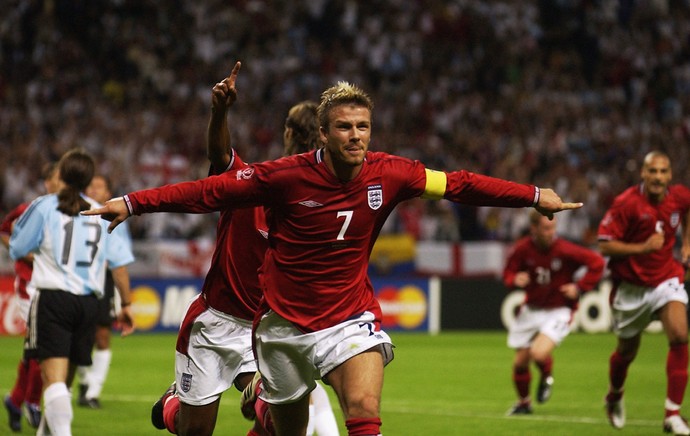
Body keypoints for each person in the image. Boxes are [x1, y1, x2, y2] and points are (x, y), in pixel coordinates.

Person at [84, 80, 582, 436]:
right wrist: (132, 203)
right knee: (244, 428)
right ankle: (177, 406)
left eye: (363, 126)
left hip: (348, 319)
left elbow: (459, 184)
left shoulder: (393, 174)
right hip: (277, 328)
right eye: (344, 127)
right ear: (323, 134)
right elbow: (206, 191)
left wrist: (533, 194)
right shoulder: (281, 178)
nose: (356, 136)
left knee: (364, 411)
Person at [149, 62, 338, 436]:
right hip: (215, 323)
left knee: (276, 421)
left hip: (265, 328)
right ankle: (174, 407)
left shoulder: (314, 209)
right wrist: (219, 111)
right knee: (194, 430)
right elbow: (221, 156)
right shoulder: (251, 184)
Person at [9, 148, 136, 436]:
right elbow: (119, 264)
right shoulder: (101, 211)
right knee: (62, 387)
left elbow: (17, 248)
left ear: (61, 176)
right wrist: (126, 303)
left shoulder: (44, 206)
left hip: (53, 300)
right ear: (89, 179)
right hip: (89, 305)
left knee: (53, 383)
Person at [598, 150, 690, 435]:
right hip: (631, 288)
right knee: (626, 353)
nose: (658, 177)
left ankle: (672, 414)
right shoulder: (626, 203)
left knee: (679, 335)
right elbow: (605, 244)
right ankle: (614, 395)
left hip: (666, 279)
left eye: (663, 172)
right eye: (653, 171)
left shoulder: (679, 197)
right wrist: (643, 248)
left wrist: (686, 245)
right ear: (643, 173)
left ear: (670, 175)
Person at [503, 210, 605, 415]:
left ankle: (547, 375)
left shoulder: (565, 249)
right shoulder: (522, 249)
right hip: (532, 309)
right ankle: (524, 403)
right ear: (534, 229)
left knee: (539, 354)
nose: (551, 233)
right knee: (520, 364)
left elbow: (597, 262)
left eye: (553, 228)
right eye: (546, 228)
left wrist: (580, 287)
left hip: (559, 309)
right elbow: (508, 272)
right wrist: (514, 279)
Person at [2, 163, 60, 432]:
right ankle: (32, 402)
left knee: (34, 348)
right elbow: (6, 232)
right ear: (47, 182)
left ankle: (15, 400)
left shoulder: (72, 211)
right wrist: (28, 255)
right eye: (57, 179)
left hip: (56, 288)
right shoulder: (30, 209)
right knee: (44, 347)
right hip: (30, 289)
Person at [75, 174, 133, 409]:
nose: (95, 190)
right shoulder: (74, 213)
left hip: (103, 282)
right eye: (91, 185)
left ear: (108, 191)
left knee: (102, 336)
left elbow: (120, 260)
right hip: (76, 281)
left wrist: (124, 299)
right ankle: (84, 381)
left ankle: (92, 392)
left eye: (100, 186)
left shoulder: (115, 216)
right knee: (78, 339)